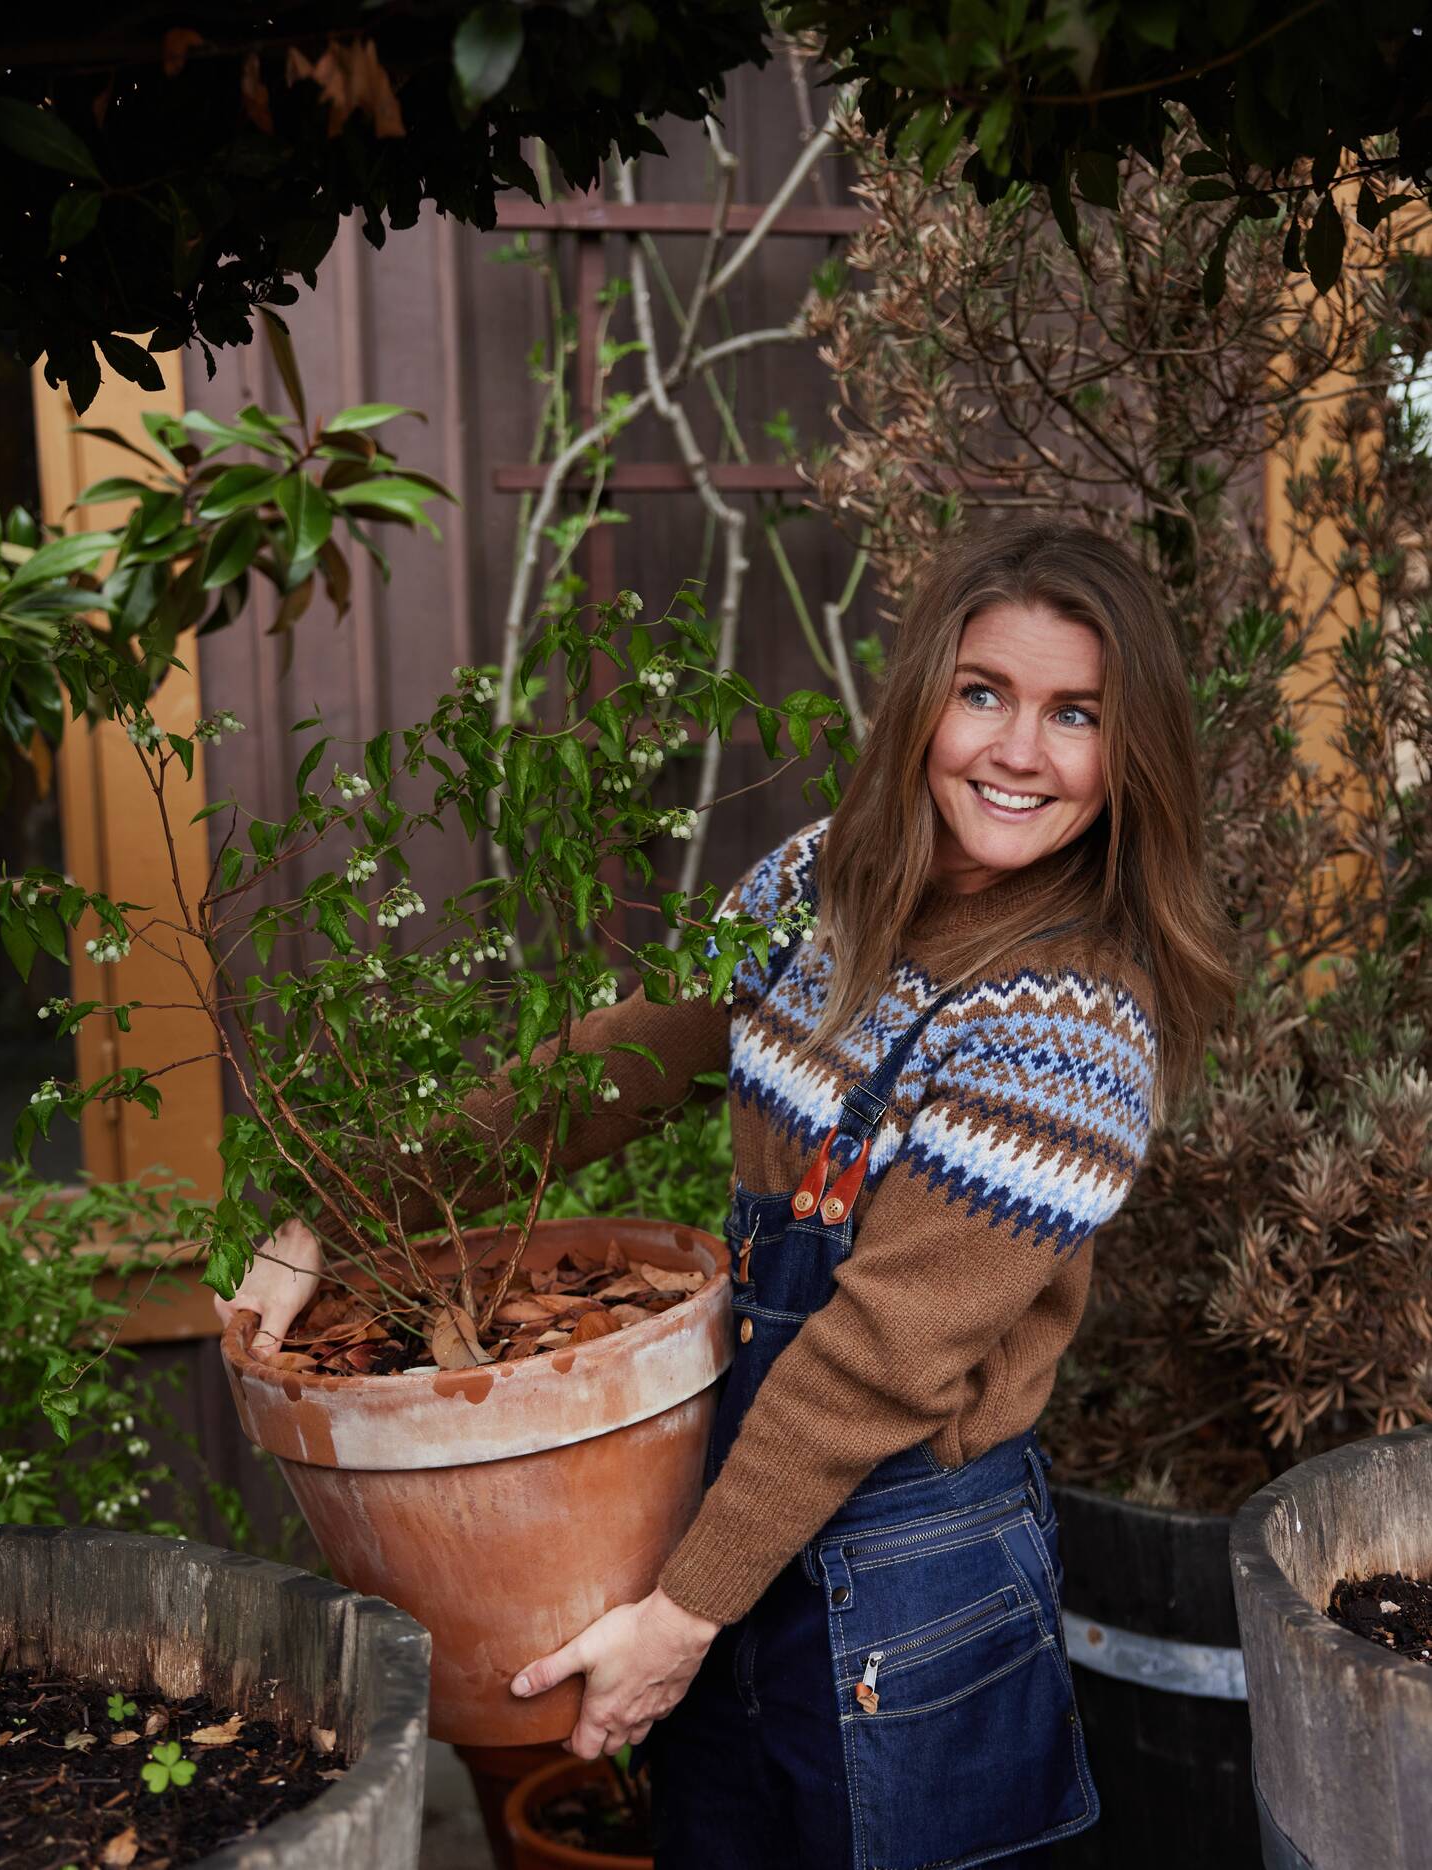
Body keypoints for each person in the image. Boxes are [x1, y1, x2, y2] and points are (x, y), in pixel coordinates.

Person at [217, 520, 1234, 1869]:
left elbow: (878, 1355)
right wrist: (328, 1219)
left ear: (1129, 753)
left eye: (1075, 714)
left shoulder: (1074, 1024)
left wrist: (679, 1611)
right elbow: (606, 1071)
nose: (1015, 749)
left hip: (911, 1593)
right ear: (926, 692)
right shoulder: (820, 883)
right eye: (983, 690)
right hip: (734, 1546)